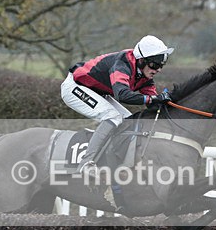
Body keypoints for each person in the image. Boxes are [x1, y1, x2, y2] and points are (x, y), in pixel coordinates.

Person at [60, 35, 175, 174]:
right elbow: (123, 95)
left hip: (96, 91)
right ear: (141, 60)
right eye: (154, 65)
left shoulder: (145, 75)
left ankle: (110, 161)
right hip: (75, 87)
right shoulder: (122, 64)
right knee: (112, 116)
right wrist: (154, 99)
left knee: (128, 121)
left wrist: (168, 102)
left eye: (161, 66)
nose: (158, 70)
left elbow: (153, 102)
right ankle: (86, 163)